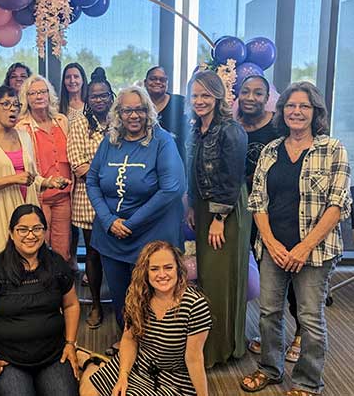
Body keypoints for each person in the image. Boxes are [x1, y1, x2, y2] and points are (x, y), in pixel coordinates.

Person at [241, 81, 351, 396]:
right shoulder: (271, 150)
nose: (297, 111)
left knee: (309, 318)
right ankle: (270, 369)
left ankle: (307, 382)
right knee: (268, 313)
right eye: (291, 106)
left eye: (304, 106)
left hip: (315, 253)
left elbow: (338, 205)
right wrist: (272, 245)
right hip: (273, 249)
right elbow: (257, 201)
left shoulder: (332, 149)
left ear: (316, 111)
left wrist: (303, 248)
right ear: (282, 111)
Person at [86, 85, 186, 337]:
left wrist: (131, 223)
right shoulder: (110, 141)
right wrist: (109, 221)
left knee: (152, 297)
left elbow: (172, 188)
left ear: (148, 111)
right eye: (127, 110)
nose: (133, 116)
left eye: (139, 110)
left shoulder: (162, 141)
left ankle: (154, 349)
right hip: (111, 236)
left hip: (150, 237)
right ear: (118, 113)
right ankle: (127, 341)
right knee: (121, 296)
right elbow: (92, 181)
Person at [0, 204, 81, 396]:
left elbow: (71, 305)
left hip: (52, 355)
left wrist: (70, 344)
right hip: (6, 359)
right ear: (11, 232)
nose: (30, 235)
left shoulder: (57, 264)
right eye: (22, 229)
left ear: (44, 231)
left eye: (37, 229)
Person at [79, 241, 211, 396]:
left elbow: (194, 359)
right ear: (146, 272)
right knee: (87, 392)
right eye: (154, 269)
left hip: (174, 379)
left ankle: (96, 363)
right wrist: (123, 376)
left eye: (168, 267)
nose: (162, 275)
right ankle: (91, 363)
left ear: (178, 269)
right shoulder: (138, 297)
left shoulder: (195, 305)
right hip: (138, 364)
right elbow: (129, 339)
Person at [186, 70, 249, 368]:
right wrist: (192, 206)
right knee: (208, 279)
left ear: (218, 96)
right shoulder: (198, 128)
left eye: (206, 95)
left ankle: (222, 349)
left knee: (221, 280)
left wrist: (219, 217)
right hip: (203, 207)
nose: (200, 101)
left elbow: (232, 177)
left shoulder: (230, 130)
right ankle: (207, 344)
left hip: (225, 212)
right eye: (195, 95)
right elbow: (195, 171)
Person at [237, 75, 301, 362]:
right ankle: (270, 335)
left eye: (258, 93)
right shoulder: (233, 124)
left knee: (292, 277)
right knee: (267, 278)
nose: (251, 97)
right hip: (247, 213)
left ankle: (301, 333)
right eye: (246, 92)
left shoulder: (278, 127)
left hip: (279, 213)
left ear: (267, 98)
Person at [0, 86, 70, 258]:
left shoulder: (24, 136)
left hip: (27, 212)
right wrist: (12, 179)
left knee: (32, 262)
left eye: (16, 104)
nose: (13, 109)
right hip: (1, 212)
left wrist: (48, 182)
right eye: (6, 104)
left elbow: (30, 177)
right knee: (6, 263)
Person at [66, 67, 114, 329]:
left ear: (110, 96)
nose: (99, 100)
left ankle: (122, 305)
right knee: (93, 255)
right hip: (88, 202)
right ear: (88, 97)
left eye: (103, 95)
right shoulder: (79, 125)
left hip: (119, 202)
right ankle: (95, 304)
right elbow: (79, 167)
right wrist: (111, 171)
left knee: (118, 256)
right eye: (94, 96)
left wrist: (97, 170)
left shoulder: (121, 124)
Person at [17, 75, 73, 264]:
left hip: (64, 196)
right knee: (39, 246)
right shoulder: (22, 126)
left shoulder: (61, 121)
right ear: (26, 98)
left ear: (49, 95)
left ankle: (61, 288)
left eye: (42, 92)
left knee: (62, 248)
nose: (39, 96)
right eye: (33, 93)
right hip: (39, 196)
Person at [144, 66, 187, 162]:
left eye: (162, 80)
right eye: (153, 79)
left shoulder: (180, 103)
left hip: (176, 159)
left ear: (167, 83)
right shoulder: (139, 105)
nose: (158, 82)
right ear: (145, 82)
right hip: (146, 161)